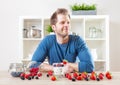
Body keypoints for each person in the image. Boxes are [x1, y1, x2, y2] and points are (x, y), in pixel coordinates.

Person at [28, 8, 94, 73]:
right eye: (62, 22)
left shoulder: (78, 41)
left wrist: (68, 65)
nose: (67, 25)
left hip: (73, 79)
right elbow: (32, 65)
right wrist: (57, 68)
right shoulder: (47, 41)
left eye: (68, 22)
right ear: (54, 27)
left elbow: (90, 66)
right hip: (53, 79)